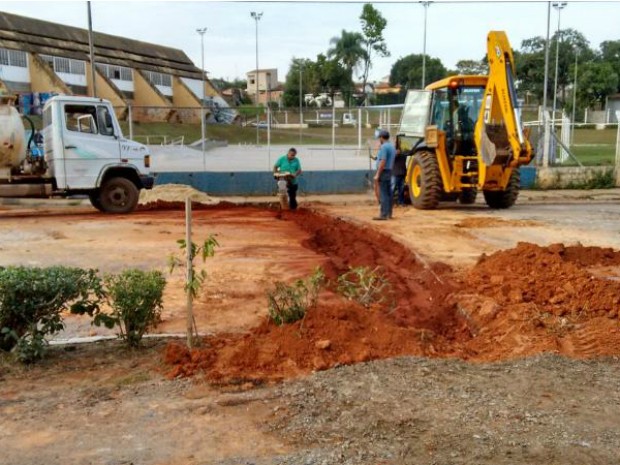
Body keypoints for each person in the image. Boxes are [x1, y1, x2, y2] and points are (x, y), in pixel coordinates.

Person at [373, 130, 396, 220]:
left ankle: (383, 214)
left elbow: (383, 161)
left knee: (383, 193)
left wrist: (378, 174)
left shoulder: (384, 147)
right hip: (389, 170)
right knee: (389, 193)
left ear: (382, 138)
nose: (379, 139)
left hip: (383, 171)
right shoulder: (391, 147)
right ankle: (389, 213)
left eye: (379, 138)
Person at [391, 140, 408, 207]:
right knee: (392, 188)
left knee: (401, 189)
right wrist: (396, 153)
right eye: (396, 142)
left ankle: (401, 202)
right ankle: (390, 203)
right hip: (395, 173)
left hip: (402, 173)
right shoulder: (392, 151)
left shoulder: (404, 151)